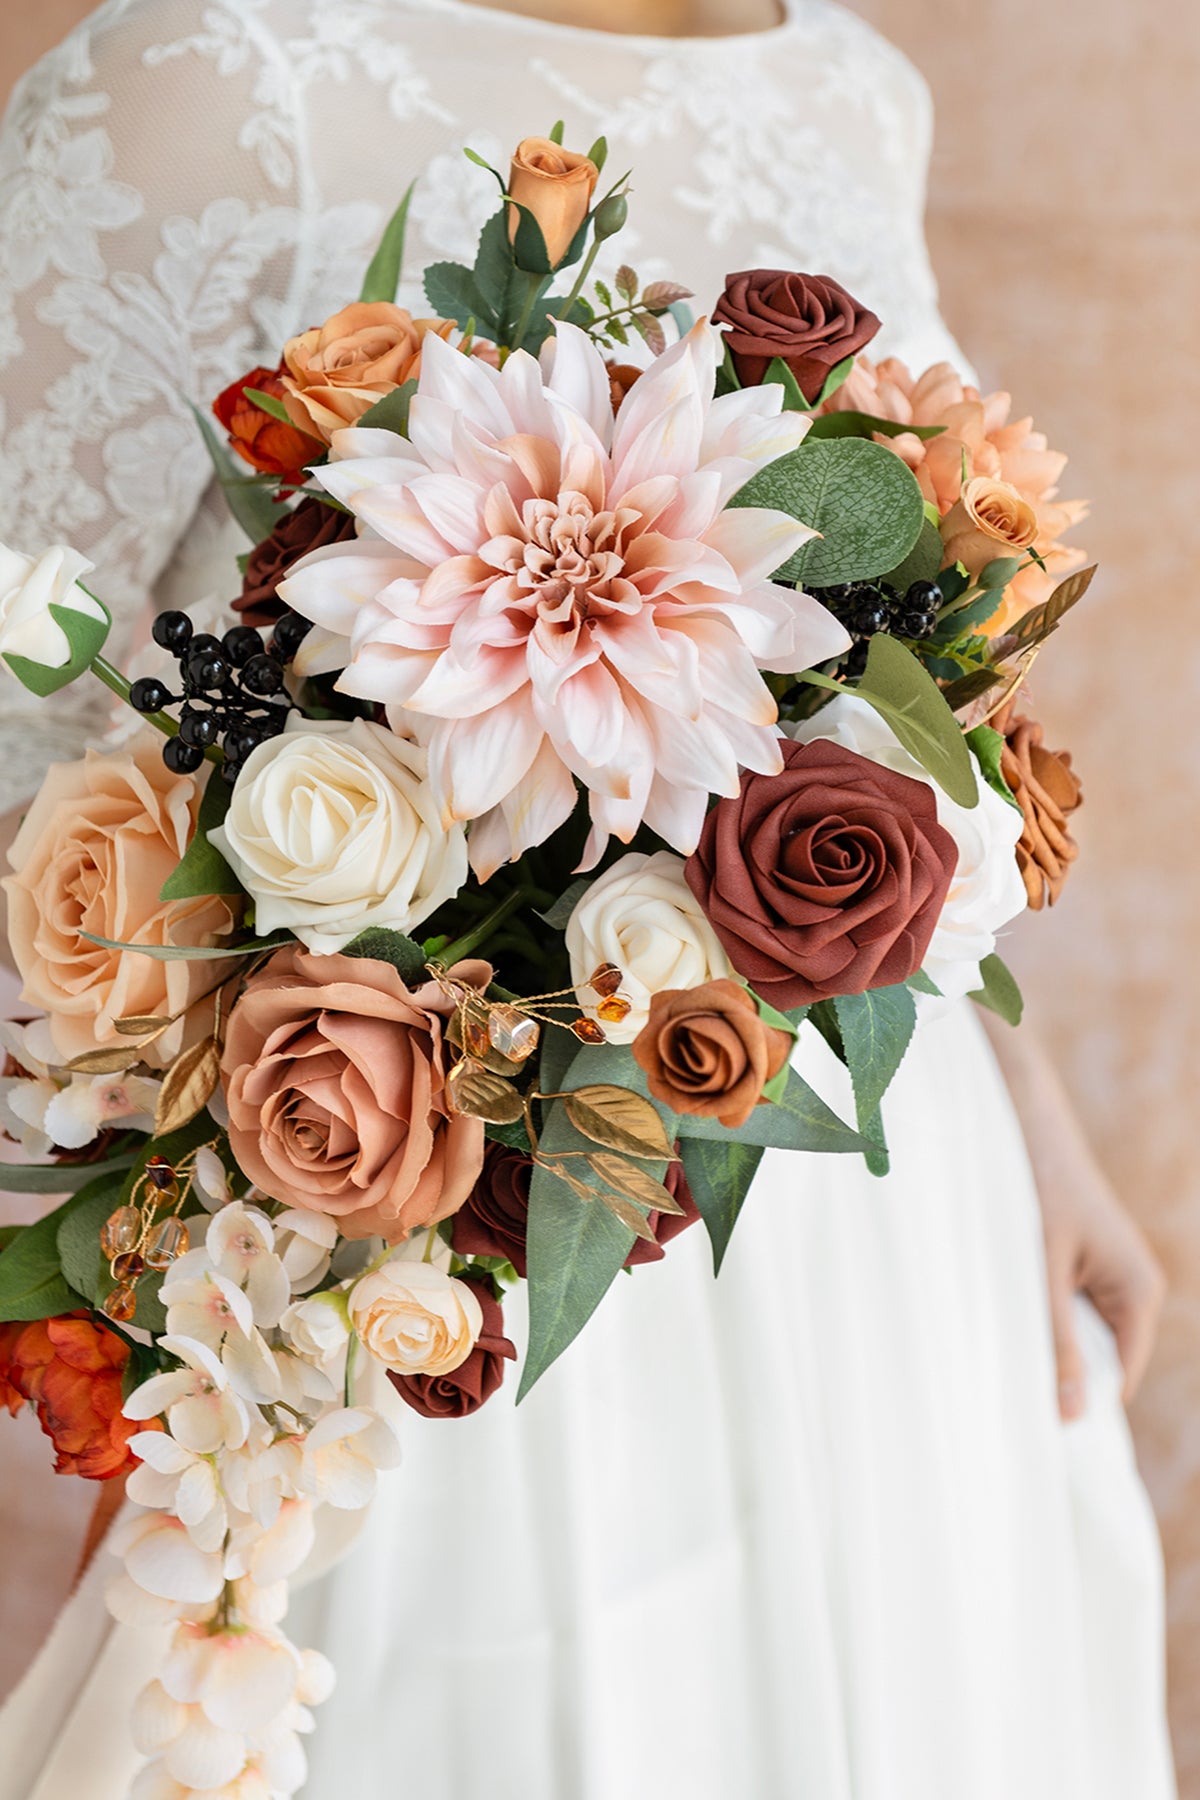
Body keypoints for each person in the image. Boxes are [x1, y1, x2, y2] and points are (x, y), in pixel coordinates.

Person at [0, 1, 1177, 1796]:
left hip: (878, 1200)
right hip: (448, 1248)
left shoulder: (852, 91)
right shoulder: (198, 89)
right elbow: (25, 737)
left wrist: (1030, 1116)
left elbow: (920, 688)